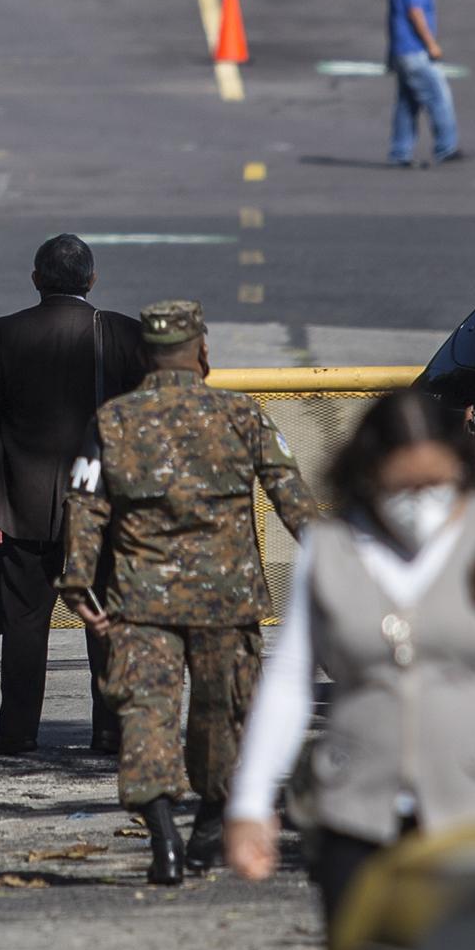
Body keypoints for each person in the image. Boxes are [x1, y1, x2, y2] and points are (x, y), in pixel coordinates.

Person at [225, 389, 475, 934]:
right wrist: (251, 800)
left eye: (436, 484)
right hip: (357, 810)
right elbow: (288, 683)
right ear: (368, 473)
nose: (420, 501)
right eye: (403, 486)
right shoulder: (331, 548)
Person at [60, 301, 316, 886]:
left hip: (140, 600)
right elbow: (292, 497)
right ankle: (206, 825)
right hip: (225, 600)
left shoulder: (113, 420)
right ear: (202, 349)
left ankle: (165, 841)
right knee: (221, 716)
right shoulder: (241, 413)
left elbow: (85, 504)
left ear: (146, 355)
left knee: (146, 714)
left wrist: (77, 583)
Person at [0, 234, 146, 757]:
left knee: (24, 623)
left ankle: (17, 731)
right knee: (107, 616)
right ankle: (109, 732)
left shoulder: (3, 334)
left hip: (25, 501)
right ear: (91, 280)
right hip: (106, 500)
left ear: (36, 279)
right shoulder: (125, 334)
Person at [386, 0, 461, 168]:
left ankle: (400, 152)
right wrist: (431, 44)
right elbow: (415, 13)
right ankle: (445, 148)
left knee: (407, 104)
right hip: (415, 52)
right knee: (439, 98)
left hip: (401, 52)